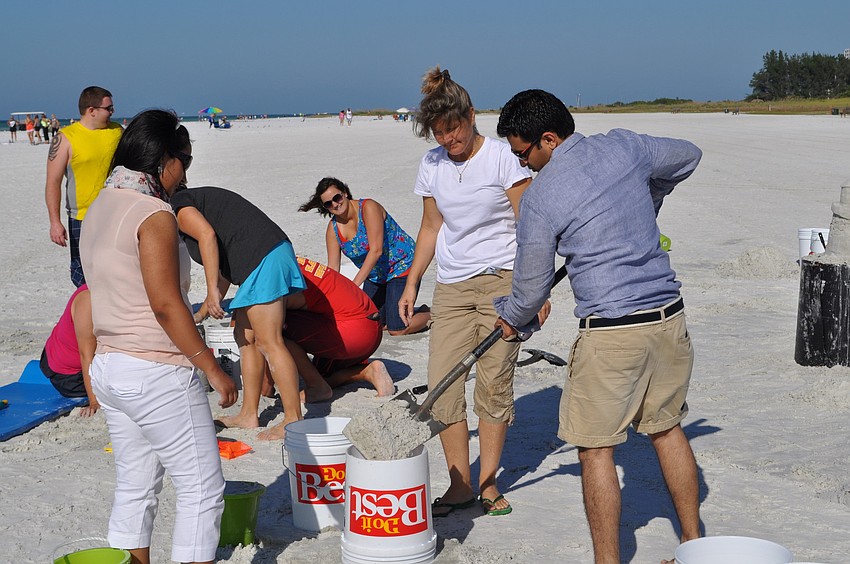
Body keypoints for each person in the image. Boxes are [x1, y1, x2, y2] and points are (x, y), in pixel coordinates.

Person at [493, 89, 703, 564]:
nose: (523, 165)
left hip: (611, 334)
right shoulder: (624, 146)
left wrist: (510, 319)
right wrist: (649, 196)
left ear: (549, 139)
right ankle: (694, 545)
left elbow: (529, 288)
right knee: (667, 430)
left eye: (524, 153)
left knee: (595, 451)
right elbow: (688, 156)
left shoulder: (542, 197)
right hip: (669, 320)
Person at [80, 109, 237, 563]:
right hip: (156, 370)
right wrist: (211, 367)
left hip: (110, 366)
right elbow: (166, 304)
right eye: (185, 159)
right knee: (202, 488)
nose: (186, 171)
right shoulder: (153, 214)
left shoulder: (100, 204)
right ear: (165, 159)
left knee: (135, 484)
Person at [398, 67, 538, 518]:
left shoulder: (502, 158)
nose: (448, 140)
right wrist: (413, 280)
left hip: (503, 280)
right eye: (439, 133)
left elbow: (530, 225)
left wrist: (534, 289)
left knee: (494, 384)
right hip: (452, 286)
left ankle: (489, 483)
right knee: (442, 385)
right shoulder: (432, 164)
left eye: (453, 129)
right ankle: (459, 486)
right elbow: (430, 226)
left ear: (471, 116)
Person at [169, 185, 307, 441]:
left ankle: (292, 420)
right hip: (261, 260)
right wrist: (201, 313)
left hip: (265, 258)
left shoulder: (179, 204)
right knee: (246, 338)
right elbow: (224, 269)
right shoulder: (194, 203)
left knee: (269, 342)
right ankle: (248, 414)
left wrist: (211, 291)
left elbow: (207, 236)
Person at [299, 177, 430, 335]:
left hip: (402, 266)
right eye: (328, 203)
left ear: (345, 193)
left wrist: (353, 287)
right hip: (375, 276)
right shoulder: (333, 230)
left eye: (337, 197)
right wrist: (327, 299)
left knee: (397, 329)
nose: (335, 204)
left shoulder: (368, 208)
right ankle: (399, 309)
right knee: (372, 323)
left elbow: (376, 250)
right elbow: (333, 269)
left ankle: (431, 313)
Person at [46, 85, 123, 287]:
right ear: (92, 110)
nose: (113, 112)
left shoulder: (117, 131)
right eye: (109, 108)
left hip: (116, 212)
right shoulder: (65, 138)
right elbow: (53, 182)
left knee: (117, 269)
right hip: (82, 217)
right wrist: (55, 222)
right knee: (83, 274)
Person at [40, 284, 99, 416]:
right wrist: (94, 401)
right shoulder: (88, 299)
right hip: (68, 375)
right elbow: (86, 355)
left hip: (58, 352)